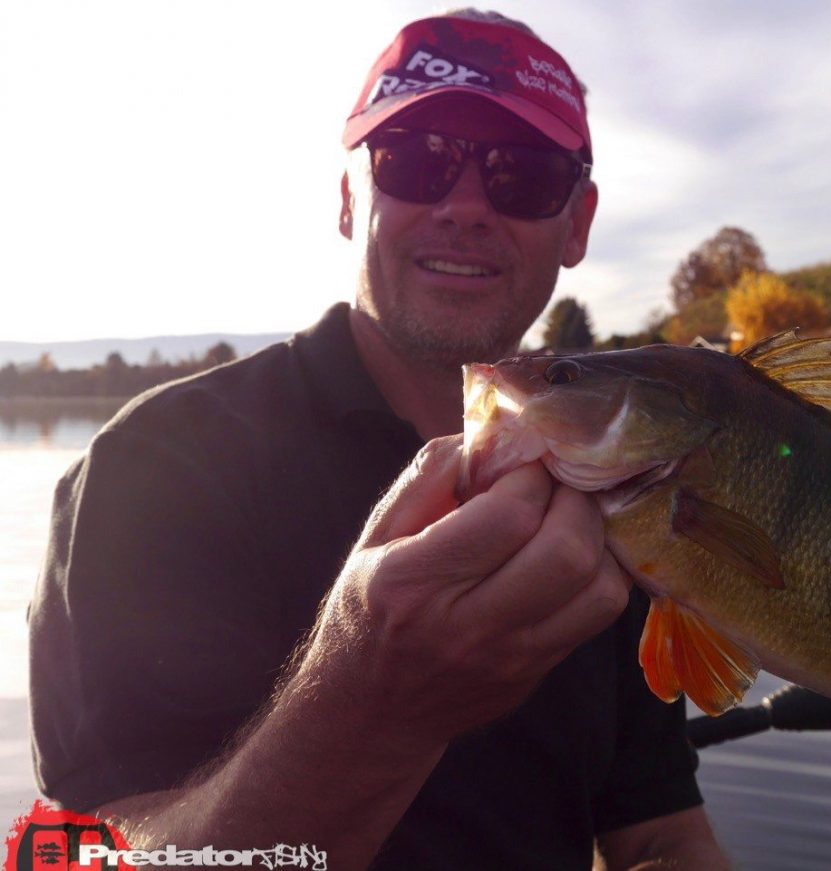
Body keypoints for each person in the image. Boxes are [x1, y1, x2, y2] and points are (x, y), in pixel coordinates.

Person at [28, 10, 731, 870]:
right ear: (348, 197)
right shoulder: (152, 471)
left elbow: (662, 834)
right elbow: (88, 856)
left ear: (578, 224)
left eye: (524, 175)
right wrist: (372, 705)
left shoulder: (619, 483)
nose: (467, 206)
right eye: (417, 159)